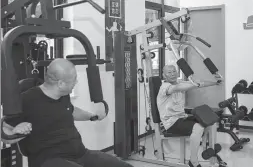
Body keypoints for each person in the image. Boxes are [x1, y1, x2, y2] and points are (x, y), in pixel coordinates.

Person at [1, 58, 133, 167]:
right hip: (48, 161)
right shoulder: (26, 100)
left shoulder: (63, 95)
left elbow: (70, 111)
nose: (76, 82)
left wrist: (92, 116)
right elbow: (4, 133)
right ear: (60, 83)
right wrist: (15, 131)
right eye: (74, 79)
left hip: (80, 154)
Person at [157, 65, 222, 167]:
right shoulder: (165, 87)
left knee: (210, 122)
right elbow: (178, 88)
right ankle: (193, 161)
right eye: (169, 72)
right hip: (171, 123)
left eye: (174, 71)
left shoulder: (180, 83)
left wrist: (215, 83)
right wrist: (194, 84)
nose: (173, 73)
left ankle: (208, 149)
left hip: (182, 118)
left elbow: (199, 84)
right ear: (164, 75)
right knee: (198, 127)